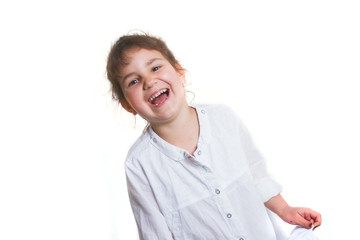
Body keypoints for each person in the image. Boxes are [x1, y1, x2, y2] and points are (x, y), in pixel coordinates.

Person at [106, 33, 322, 240]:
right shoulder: (139, 164)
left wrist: (285, 210)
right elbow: (154, 231)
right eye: (133, 81)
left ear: (179, 72)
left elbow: (256, 173)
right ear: (127, 105)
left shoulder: (223, 118)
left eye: (155, 67)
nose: (149, 81)